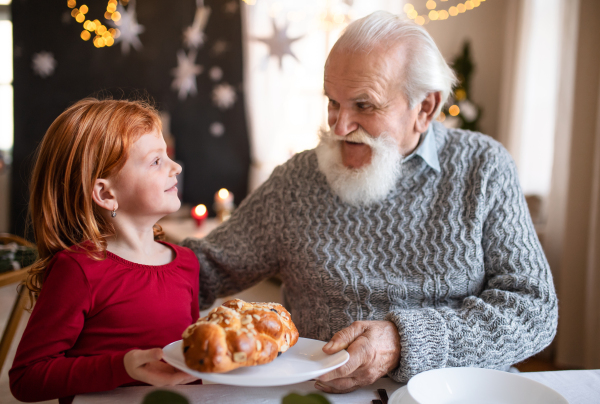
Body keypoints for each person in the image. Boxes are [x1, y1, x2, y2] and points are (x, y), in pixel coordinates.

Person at [182, 10, 558, 393]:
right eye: (333, 102)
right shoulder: (297, 181)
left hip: (462, 394)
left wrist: (402, 342)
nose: (340, 126)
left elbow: (534, 311)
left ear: (425, 108)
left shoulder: (484, 167)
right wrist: (128, 251)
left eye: (364, 105)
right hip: (321, 397)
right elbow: (202, 270)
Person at [9, 98, 199, 403]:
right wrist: (124, 367)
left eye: (168, 156)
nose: (175, 167)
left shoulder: (186, 263)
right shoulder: (78, 269)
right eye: (156, 161)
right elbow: (26, 378)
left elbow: (189, 359)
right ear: (106, 194)